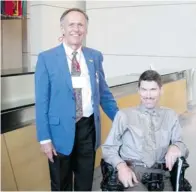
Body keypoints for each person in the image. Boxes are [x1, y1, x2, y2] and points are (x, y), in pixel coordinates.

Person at [34, 8, 118, 191]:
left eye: (81, 24)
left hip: (87, 130)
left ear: (86, 29)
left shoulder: (94, 57)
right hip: (58, 133)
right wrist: (44, 138)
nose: (76, 29)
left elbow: (104, 94)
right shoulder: (46, 59)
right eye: (71, 24)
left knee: (85, 184)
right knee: (60, 185)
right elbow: (41, 102)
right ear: (62, 28)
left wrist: (121, 120)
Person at [101, 70, 189, 191]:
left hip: (162, 174)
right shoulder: (124, 115)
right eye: (144, 89)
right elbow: (108, 148)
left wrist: (176, 147)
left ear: (161, 90)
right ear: (138, 90)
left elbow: (182, 145)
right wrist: (121, 167)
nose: (148, 95)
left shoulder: (170, 115)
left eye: (153, 89)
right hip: (133, 172)